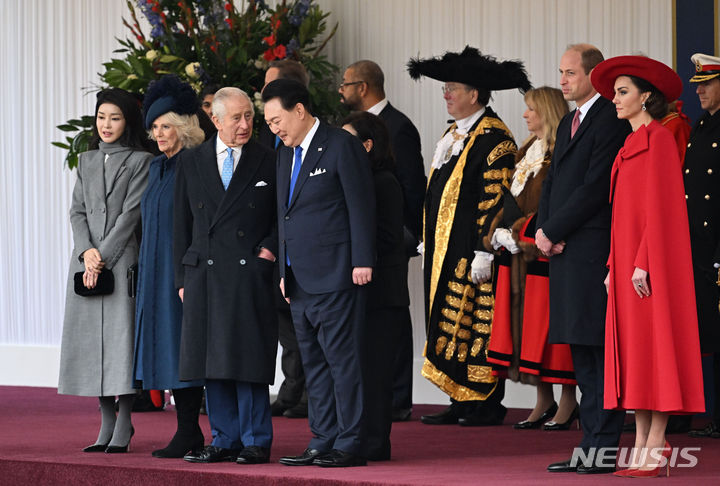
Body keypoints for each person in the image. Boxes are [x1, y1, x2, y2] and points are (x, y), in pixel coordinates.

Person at [590, 55, 705, 477]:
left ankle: (655, 444)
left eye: (623, 93)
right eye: (615, 93)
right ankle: (641, 442)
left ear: (646, 97)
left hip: (649, 264)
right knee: (636, 353)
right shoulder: (629, 143)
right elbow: (623, 214)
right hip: (625, 265)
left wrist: (642, 263)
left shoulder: (658, 139)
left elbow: (661, 210)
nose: (615, 100)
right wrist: (611, 264)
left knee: (653, 348)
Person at [407, 46, 530, 427]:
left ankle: (487, 401)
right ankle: (459, 398)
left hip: (473, 251)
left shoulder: (495, 139)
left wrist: (484, 251)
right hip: (444, 249)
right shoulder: (454, 135)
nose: (446, 94)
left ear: (474, 95)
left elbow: (495, 201)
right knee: (447, 322)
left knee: (476, 322)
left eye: (452, 88)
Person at [262, 78, 375, 467]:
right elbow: (283, 214)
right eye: (269, 123)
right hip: (297, 279)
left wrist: (363, 261)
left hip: (338, 274)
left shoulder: (341, 145)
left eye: (278, 120)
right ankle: (322, 437)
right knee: (313, 364)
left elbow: (361, 206)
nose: (274, 129)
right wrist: (281, 266)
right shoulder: (282, 153)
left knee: (343, 361)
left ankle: (350, 440)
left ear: (299, 110)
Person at [538, 44, 630, 475]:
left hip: (590, 250)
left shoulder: (610, 118)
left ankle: (603, 447)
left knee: (598, 351)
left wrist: (554, 231)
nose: (562, 81)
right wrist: (541, 229)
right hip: (564, 251)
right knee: (581, 352)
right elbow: (554, 180)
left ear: (594, 76)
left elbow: (596, 187)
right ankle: (589, 444)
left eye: (570, 73)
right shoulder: (569, 120)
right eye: (560, 72)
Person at [174, 87, 279, 465]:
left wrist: (268, 252)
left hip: (249, 272)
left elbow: (282, 217)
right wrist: (181, 278)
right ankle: (224, 438)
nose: (245, 124)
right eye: (236, 117)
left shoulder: (269, 158)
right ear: (215, 120)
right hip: (204, 273)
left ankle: (255, 440)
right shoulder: (192, 161)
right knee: (212, 359)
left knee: (247, 358)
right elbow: (181, 224)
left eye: (249, 115)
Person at [58, 88, 152, 453]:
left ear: (127, 121)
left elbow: (132, 215)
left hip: (121, 260)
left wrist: (104, 256)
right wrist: (87, 254)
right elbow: (76, 212)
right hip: (86, 263)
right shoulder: (86, 160)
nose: (106, 124)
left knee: (120, 341)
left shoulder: (142, 160)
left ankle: (125, 420)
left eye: (114, 117)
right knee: (90, 344)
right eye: (101, 117)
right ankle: (106, 421)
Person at [485, 87, 578, 430]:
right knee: (528, 330)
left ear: (547, 112)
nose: (525, 115)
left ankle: (568, 401)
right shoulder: (527, 151)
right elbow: (510, 198)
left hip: (543, 252)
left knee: (551, 328)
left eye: (530, 109)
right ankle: (543, 398)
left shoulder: (557, 153)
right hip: (518, 254)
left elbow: (552, 205)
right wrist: (496, 232)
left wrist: (523, 232)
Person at [340, 60, 426, 421]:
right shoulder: (354, 129)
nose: (341, 91)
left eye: (345, 84)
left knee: (391, 318)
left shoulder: (399, 125)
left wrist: (407, 234)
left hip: (393, 235)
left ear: (363, 87)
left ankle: (397, 395)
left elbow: (409, 183)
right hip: (371, 240)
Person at [133, 75, 206, 458]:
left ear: (182, 127)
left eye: (165, 126)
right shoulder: (158, 167)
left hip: (180, 272)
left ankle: (190, 431)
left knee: (184, 349)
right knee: (167, 347)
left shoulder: (194, 164)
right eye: (155, 127)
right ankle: (186, 430)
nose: (159, 134)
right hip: (155, 271)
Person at [341, 111, 408, 460]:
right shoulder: (363, 178)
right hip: (363, 292)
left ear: (367, 145)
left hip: (382, 294)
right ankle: (361, 438)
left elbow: (386, 237)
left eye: (349, 139)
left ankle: (376, 443)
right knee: (361, 369)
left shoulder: (383, 181)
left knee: (376, 372)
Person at [260, 59, 311, 420]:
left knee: (307, 328)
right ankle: (292, 389)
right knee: (286, 328)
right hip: (276, 249)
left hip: (308, 255)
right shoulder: (273, 141)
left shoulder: (323, 143)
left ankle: (307, 393)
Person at [685, 53, 720, 440]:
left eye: (708, 84)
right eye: (697, 84)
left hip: (716, 250)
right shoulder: (703, 126)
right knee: (712, 332)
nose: (700, 91)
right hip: (700, 249)